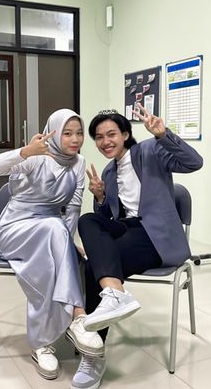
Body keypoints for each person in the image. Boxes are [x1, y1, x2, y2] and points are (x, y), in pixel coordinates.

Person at [71, 104, 203, 389]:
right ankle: (115, 295)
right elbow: (109, 218)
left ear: (125, 133)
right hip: (127, 229)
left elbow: (195, 162)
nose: (106, 141)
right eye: (99, 137)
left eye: (111, 134)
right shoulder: (107, 172)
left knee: (95, 262)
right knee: (89, 220)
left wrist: (163, 134)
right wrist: (101, 197)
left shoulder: (150, 151)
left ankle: (93, 354)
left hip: (156, 235)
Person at [0, 108, 104, 381]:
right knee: (54, 227)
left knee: (55, 237)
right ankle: (78, 316)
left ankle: (41, 345)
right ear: (54, 132)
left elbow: (73, 210)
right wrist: (25, 152)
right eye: (67, 133)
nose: (74, 139)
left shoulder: (79, 162)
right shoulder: (37, 155)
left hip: (51, 232)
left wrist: (67, 246)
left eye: (78, 133)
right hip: (13, 228)